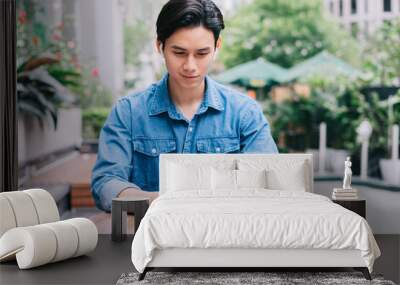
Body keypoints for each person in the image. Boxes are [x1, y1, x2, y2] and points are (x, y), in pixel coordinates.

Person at [91, 0, 278, 212]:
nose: (190, 66)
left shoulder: (245, 113)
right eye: (179, 53)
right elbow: (106, 184)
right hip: (150, 239)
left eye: (201, 54)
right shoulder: (129, 113)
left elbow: (268, 181)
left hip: (226, 238)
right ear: (159, 46)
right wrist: (161, 202)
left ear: (217, 46)